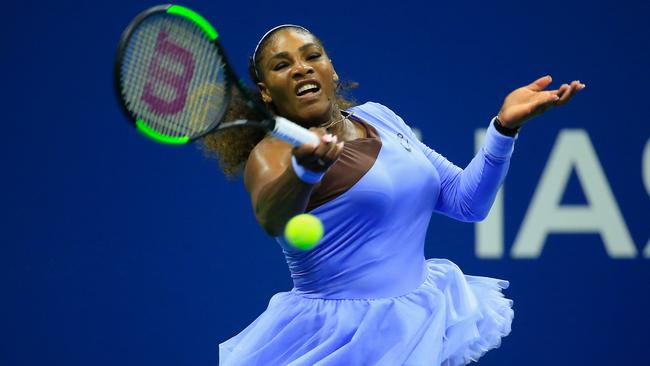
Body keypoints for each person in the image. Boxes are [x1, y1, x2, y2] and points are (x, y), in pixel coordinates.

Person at [203, 25, 584, 365]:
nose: (301, 67)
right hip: (342, 342)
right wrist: (305, 171)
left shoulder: (380, 117)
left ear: (331, 70)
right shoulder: (270, 155)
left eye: (312, 55)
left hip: (419, 316)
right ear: (266, 94)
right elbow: (273, 218)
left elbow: (467, 202)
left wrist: (503, 129)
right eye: (282, 65)